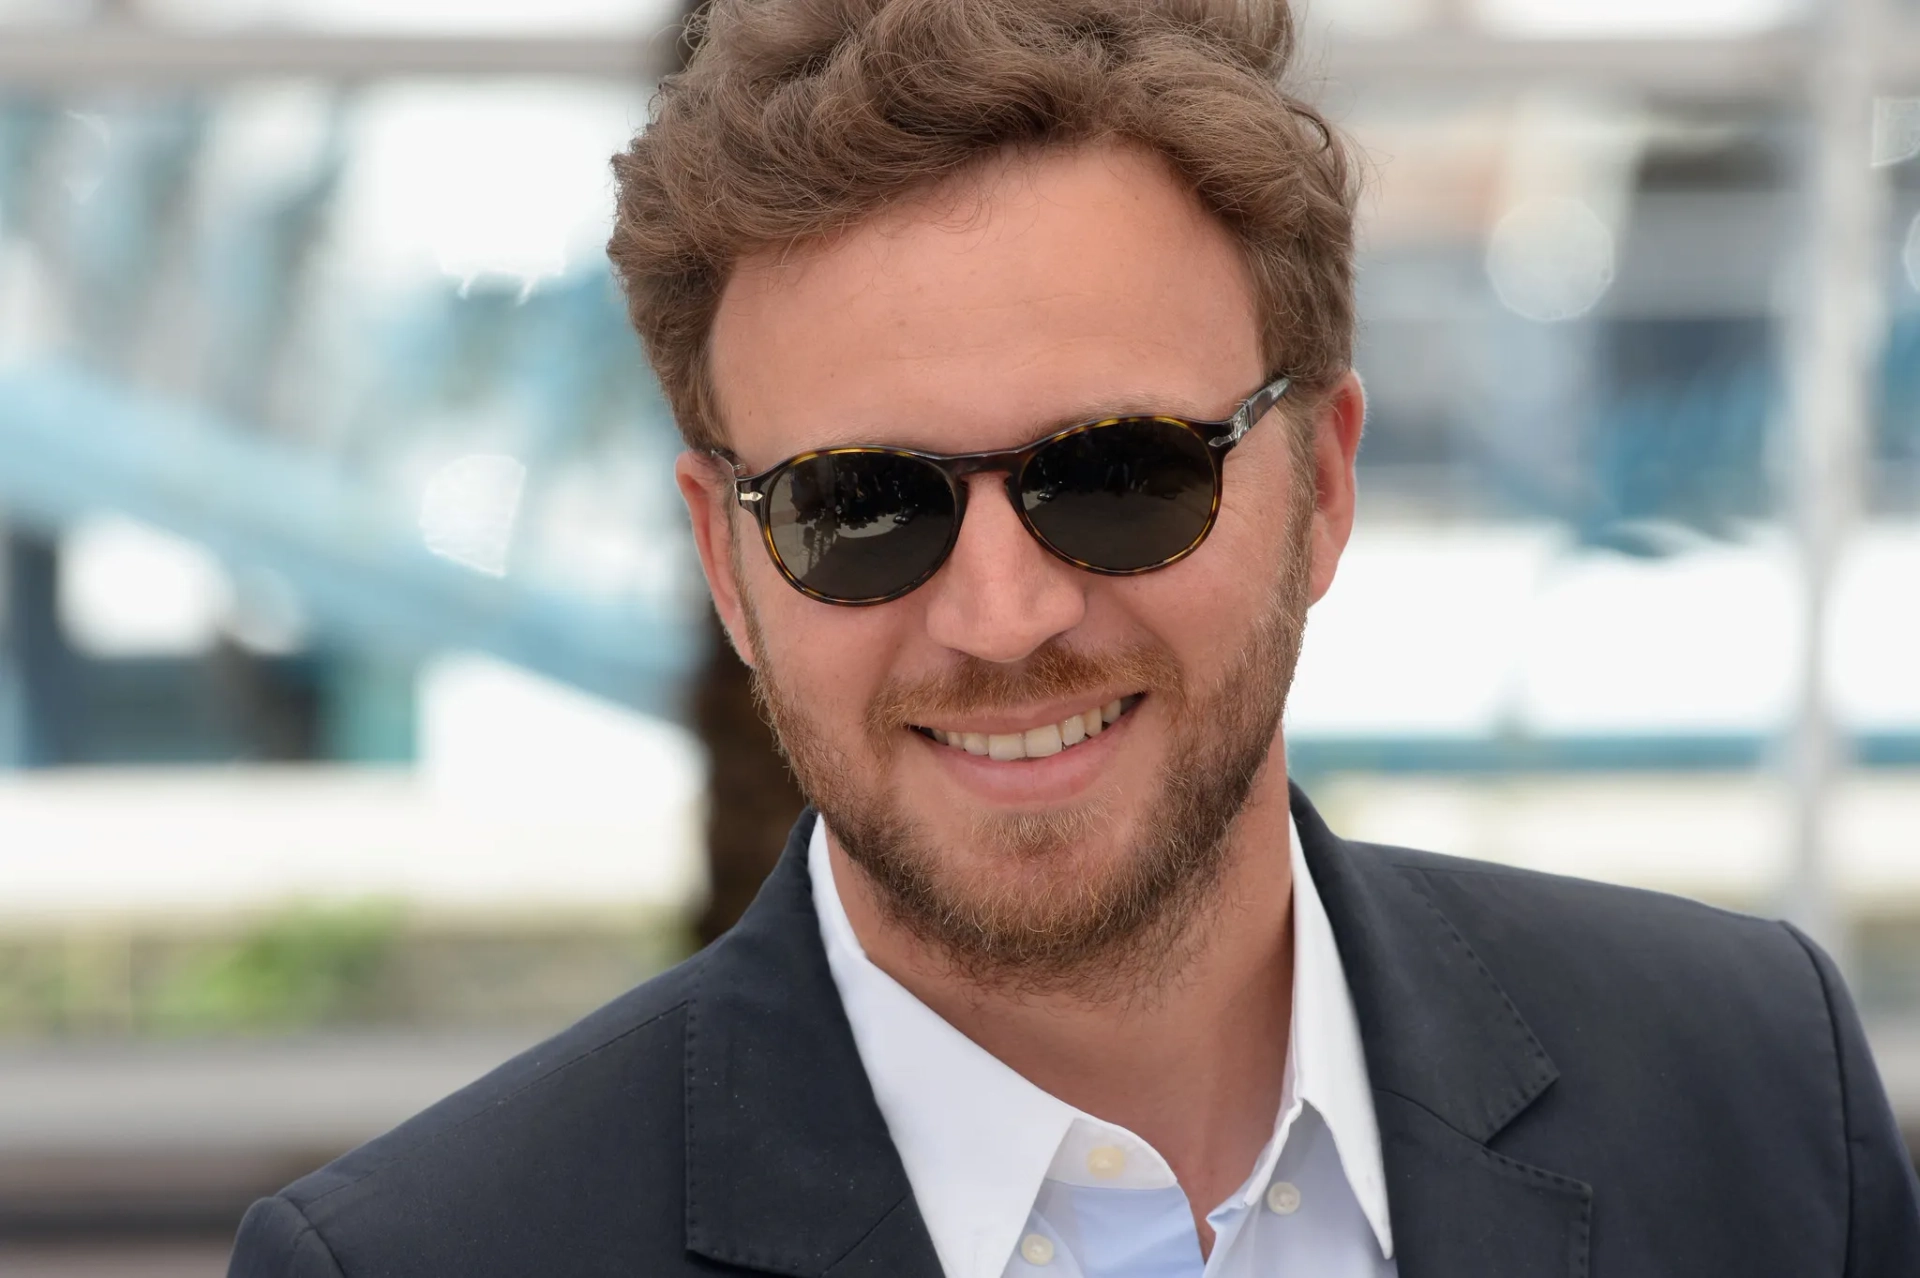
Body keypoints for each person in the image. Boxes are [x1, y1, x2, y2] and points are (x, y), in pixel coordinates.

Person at [227, 2, 1920, 1275]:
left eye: (1117, 476)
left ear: (1322, 483)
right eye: (861, 506)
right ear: (730, 567)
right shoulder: (425, 1261)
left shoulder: (1754, 1096)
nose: (1004, 611)